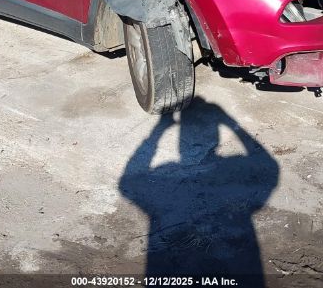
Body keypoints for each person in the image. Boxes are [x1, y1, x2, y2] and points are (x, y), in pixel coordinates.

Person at [119, 98, 279, 280]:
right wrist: (231, 123)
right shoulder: (229, 171)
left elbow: (128, 182)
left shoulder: (166, 174)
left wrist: (160, 129)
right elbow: (269, 166)